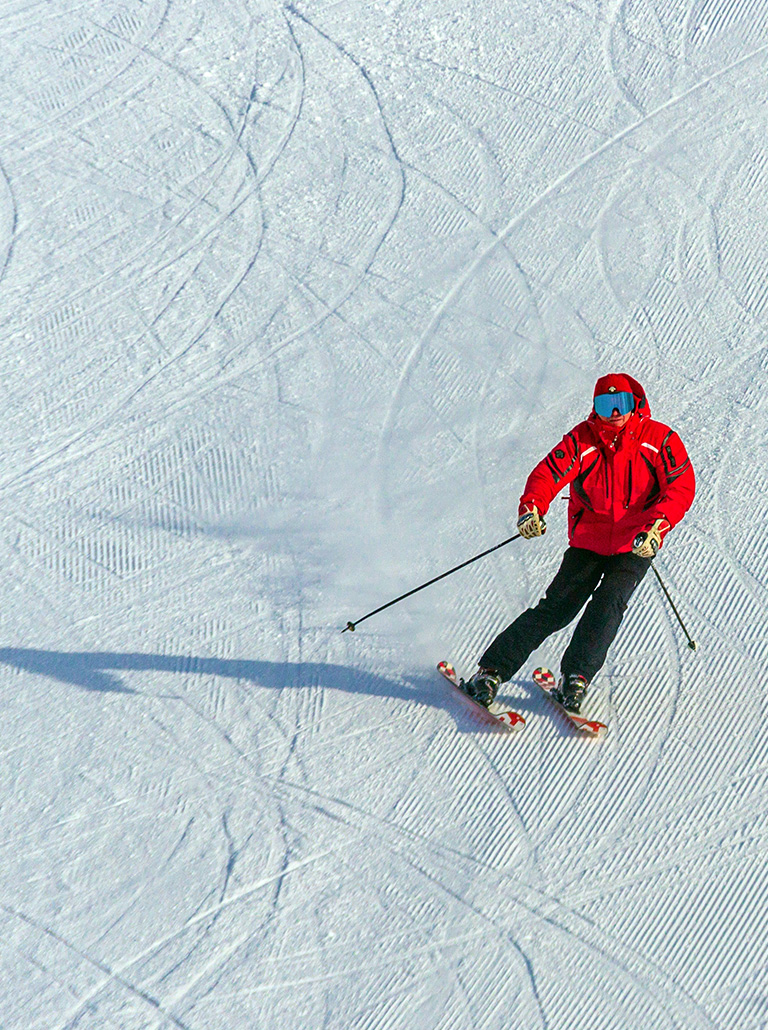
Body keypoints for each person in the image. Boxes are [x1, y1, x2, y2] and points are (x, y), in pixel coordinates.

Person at [464, 373, 696, 714]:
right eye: (605, 404)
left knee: (608, 605)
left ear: (635, 404)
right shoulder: (582, 440)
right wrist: (532, 508)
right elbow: (548, 474)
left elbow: (681, 486)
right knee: (558, 608)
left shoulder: (660, 440)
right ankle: (491, 672)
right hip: (589, 541)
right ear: (595, 407)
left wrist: (657, 527)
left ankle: (577, 677)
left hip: (636, 544)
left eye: (621, 404)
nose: (614, 413)